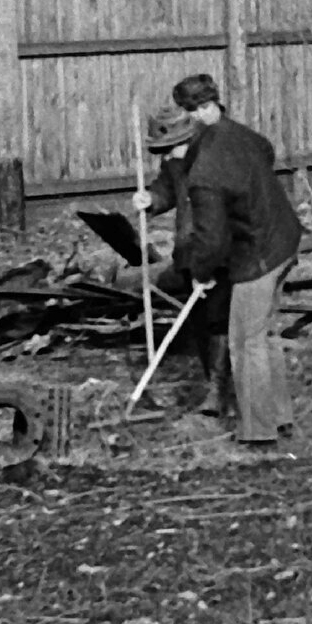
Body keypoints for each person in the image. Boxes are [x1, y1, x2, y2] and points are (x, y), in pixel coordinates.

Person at [166, 73, 302, 446]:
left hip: (257, 255)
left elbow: (210, 239)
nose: (167, 159)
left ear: (194, 116)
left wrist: (200, 272)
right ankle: (279, 417)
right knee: (268, 335)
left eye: (168, 150)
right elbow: (267, 149)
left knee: (246, 342)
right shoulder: (239, 134)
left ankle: (258, 432)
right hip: (284, 240)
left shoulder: (203, 171)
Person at [130, 105, 232, 419]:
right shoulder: (176, 160)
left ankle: (221, 391)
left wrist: (210, 262)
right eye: (162, 151)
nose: (167, 157)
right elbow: (167, 187)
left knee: (220, 319)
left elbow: (222, 217)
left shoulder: (216, 160)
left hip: (221, 251)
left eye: (171, 148)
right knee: (199, 319)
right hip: (189, 249)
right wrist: (152, 200)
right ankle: (210, 382)